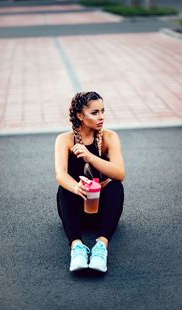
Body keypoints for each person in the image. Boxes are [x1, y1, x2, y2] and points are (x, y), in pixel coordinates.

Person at [55, 91, 125, 272]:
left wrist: (90, 157)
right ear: (80, 115)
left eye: (103, 111)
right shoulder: (65, 140)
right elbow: (60, 174)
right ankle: (76, 247)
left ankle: (101, 247)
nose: (101, 117)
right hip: (76, 210)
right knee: (65, 189)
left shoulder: (109, 137)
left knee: (116, 186)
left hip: (102, 210)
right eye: (95, 112)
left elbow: (120, 173)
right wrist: (77, 187)